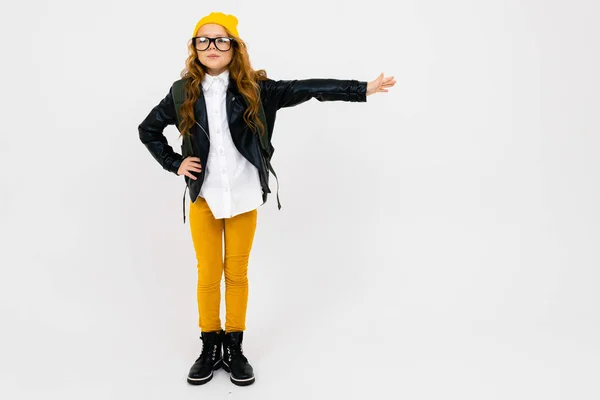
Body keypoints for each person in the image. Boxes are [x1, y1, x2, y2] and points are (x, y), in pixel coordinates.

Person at [138, 11, 396, 387]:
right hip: (204, 199)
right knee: (208, 273)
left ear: (235, 47)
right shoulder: (181, 93)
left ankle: (235, 346)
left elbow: (308, 87)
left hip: (242, 197)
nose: (212, 46)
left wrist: (361, 89)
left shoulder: (257, 90)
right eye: (203, 40)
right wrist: (175, 163)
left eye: (221, 40)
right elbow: (148, 130)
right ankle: (210, 345)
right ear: (194, 48)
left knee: (236, 273)